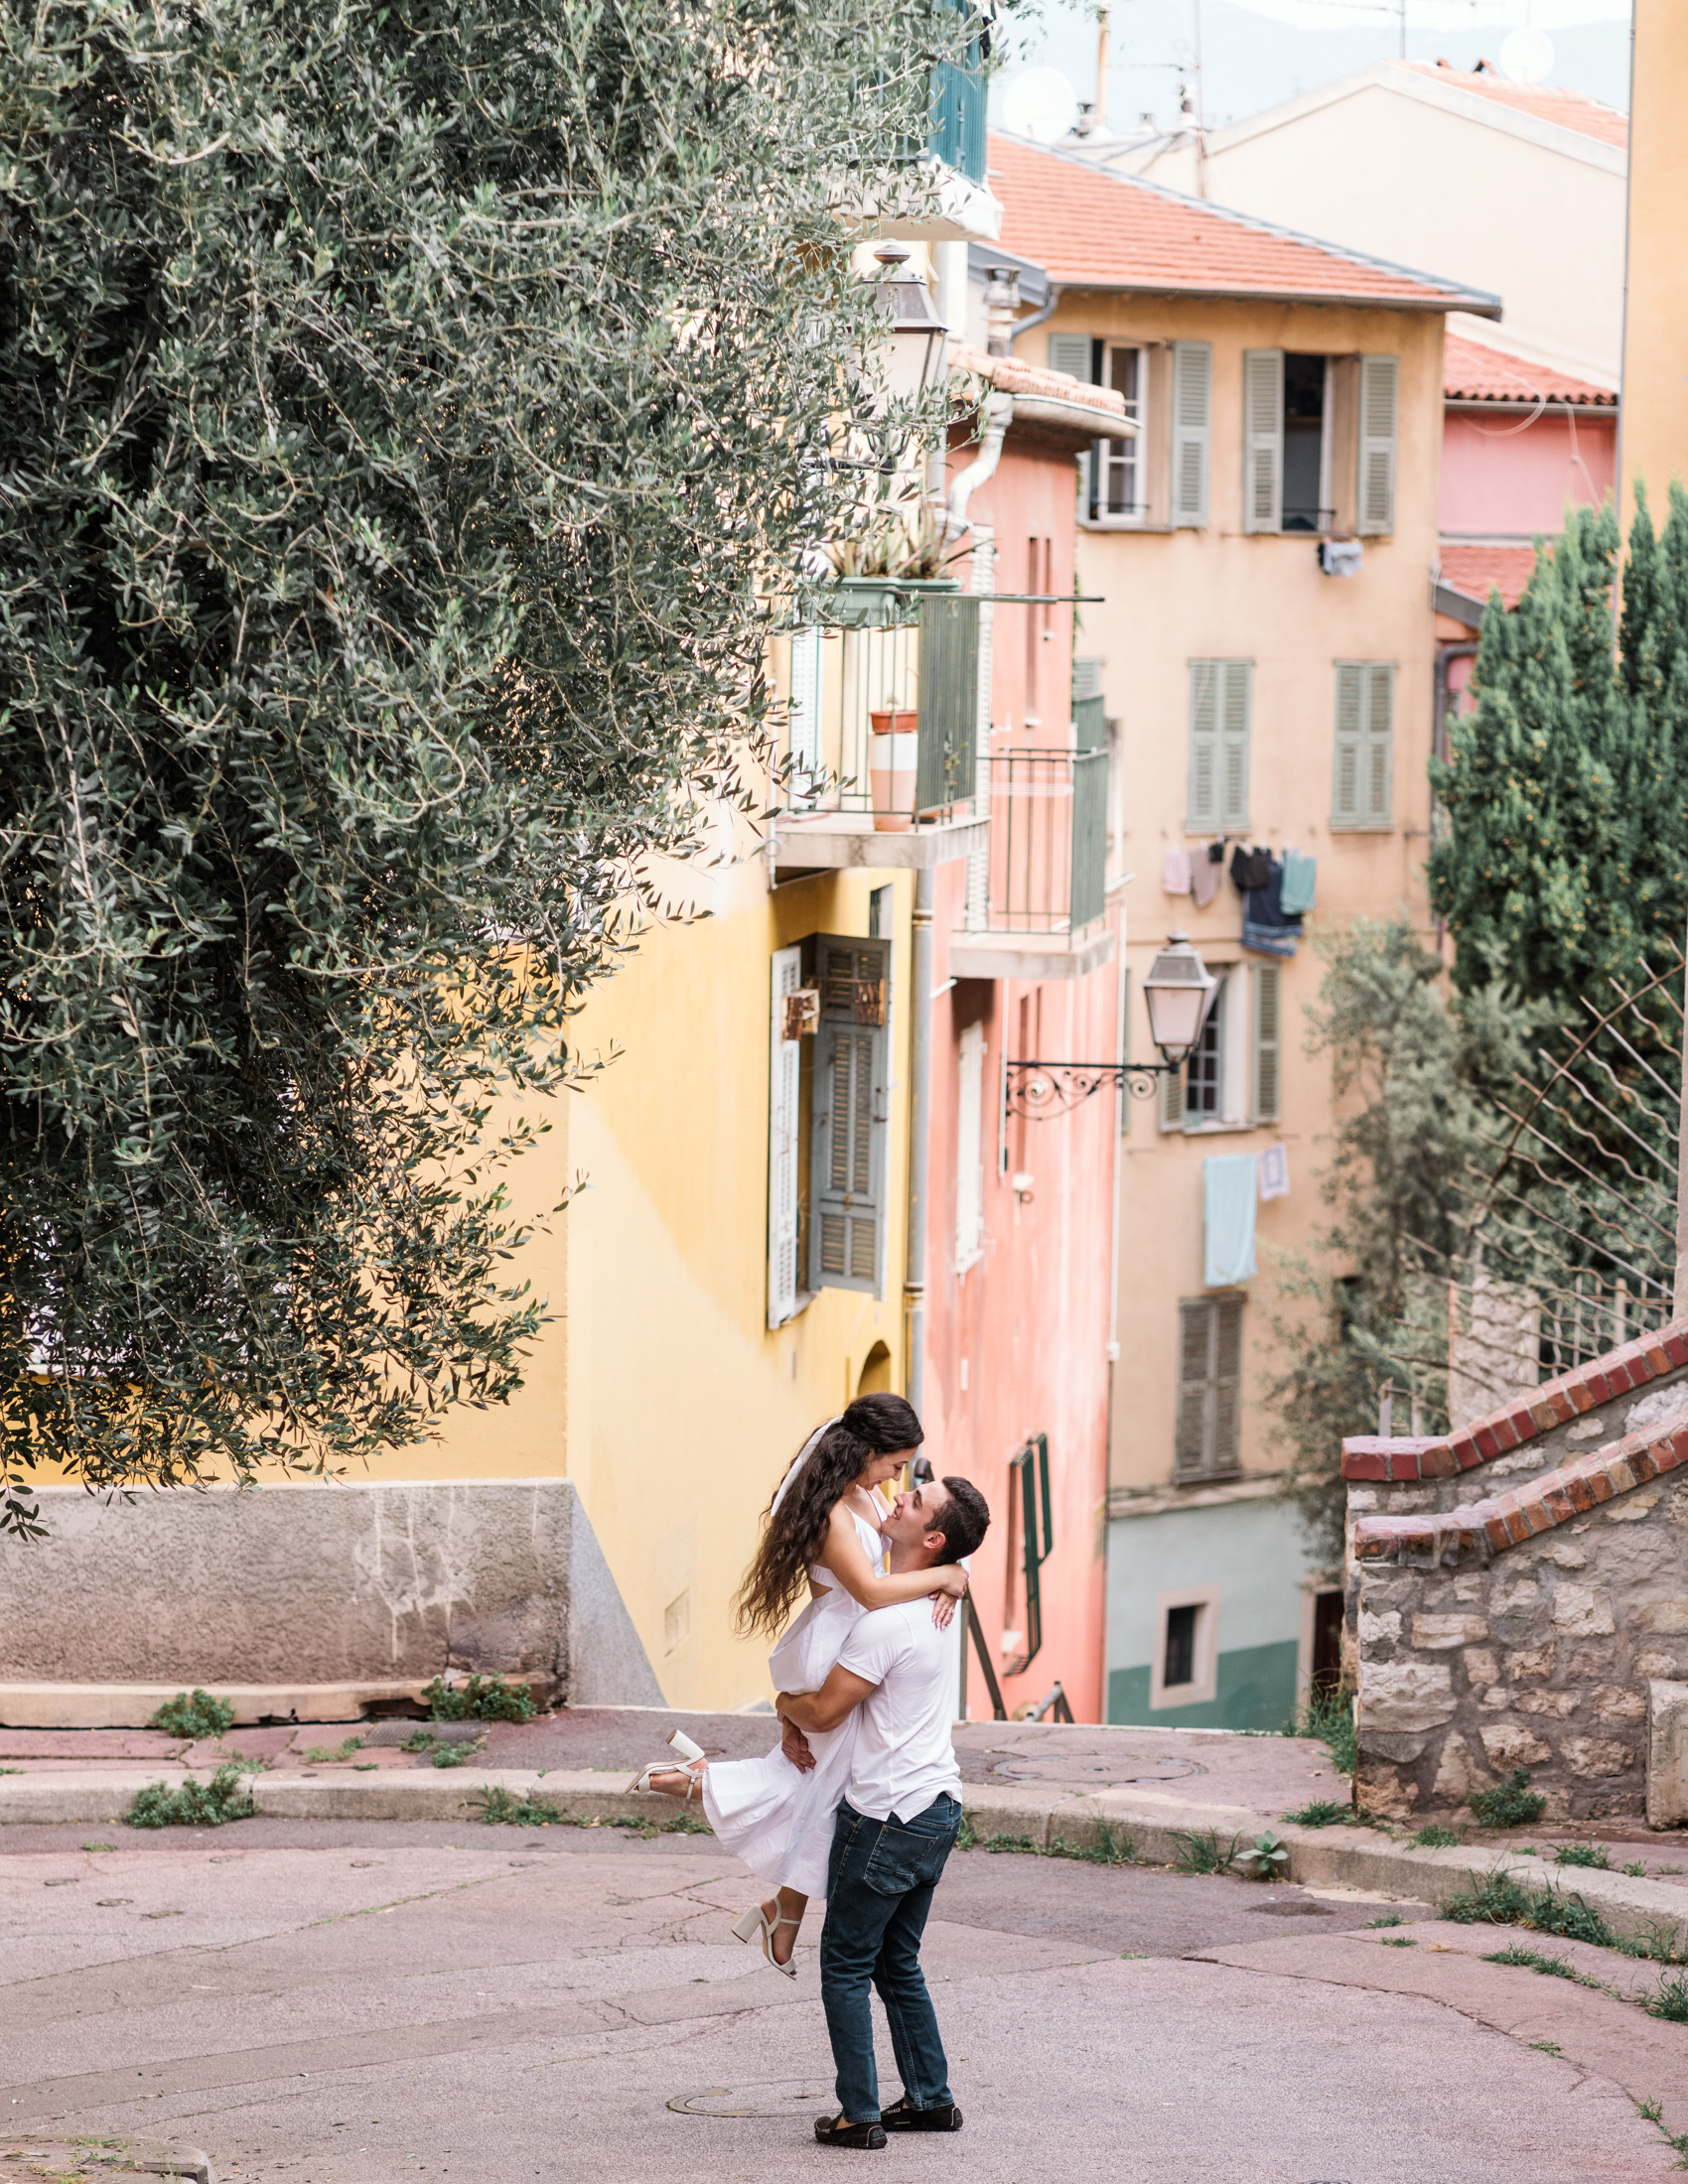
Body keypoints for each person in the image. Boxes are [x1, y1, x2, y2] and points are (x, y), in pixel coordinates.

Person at [628, 1393, 966, 1973]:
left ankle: (782, 1915)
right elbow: (871, 1590)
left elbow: (902, 1555)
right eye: (894, 1464)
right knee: (817, 1783)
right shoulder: (834, 1511)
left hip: (854, 1641)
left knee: (823, 1786)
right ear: (866, 1451)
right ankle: (697, 1782)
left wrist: (943, 1568)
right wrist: (948, 1573)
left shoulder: (865, 1492)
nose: (898, 1477)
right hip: (836, 1641)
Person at [775, 1471, 991, 2150]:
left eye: (916, 1499)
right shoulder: (937, 1600)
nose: (901, 1492)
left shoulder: (891, 1622)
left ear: (930, 1538)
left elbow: (824, 1709)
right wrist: (952, 1572)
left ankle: (857, 2112)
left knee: (843, 1964)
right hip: (939, 1809)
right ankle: (929, 2098)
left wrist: (781, 1704)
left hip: (887, 1819)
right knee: (898, 1962)